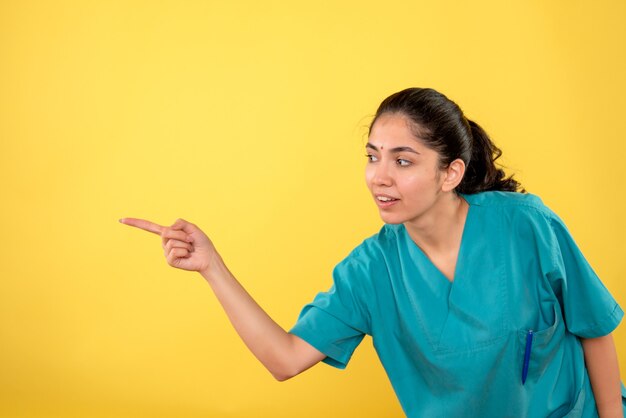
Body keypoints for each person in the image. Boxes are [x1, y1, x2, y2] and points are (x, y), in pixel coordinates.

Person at [120, 87, 624, 417]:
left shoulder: (525, 225)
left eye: (403, 161)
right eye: (372, 157)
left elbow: (593, 329)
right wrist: (212, 268)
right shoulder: (371, 270)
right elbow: (286, 358)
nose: (379, 177)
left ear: (449, 173)